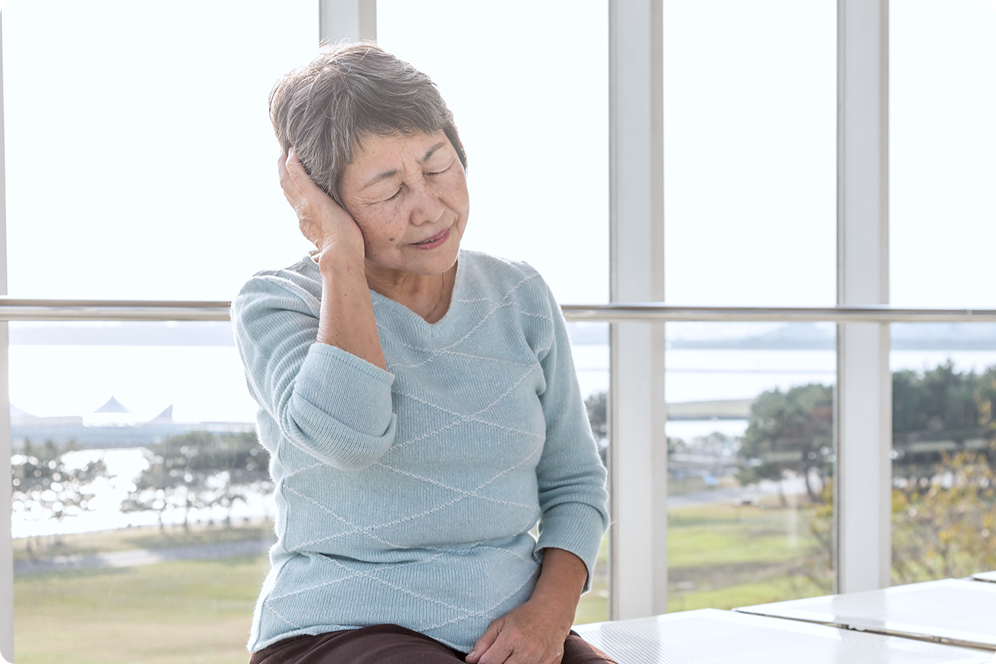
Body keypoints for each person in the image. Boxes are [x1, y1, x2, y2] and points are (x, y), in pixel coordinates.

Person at [232, 42, 614, 664]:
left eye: (437, 166)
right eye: (387, 190)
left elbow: (575, 481)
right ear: (324, 204)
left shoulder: (518, 295)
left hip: (507, 628)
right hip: (340, 628)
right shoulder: (279, 304)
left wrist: (549, 617)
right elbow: (351, 437)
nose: (428, 206)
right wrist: (340, 262)